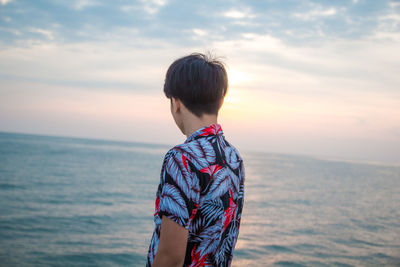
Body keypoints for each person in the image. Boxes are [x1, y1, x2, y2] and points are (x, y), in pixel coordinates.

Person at [146, 52, 245, 267]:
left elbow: (170, 256)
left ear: (177, 103)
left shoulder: (182, 158)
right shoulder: (234, 158)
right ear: (219, 101)